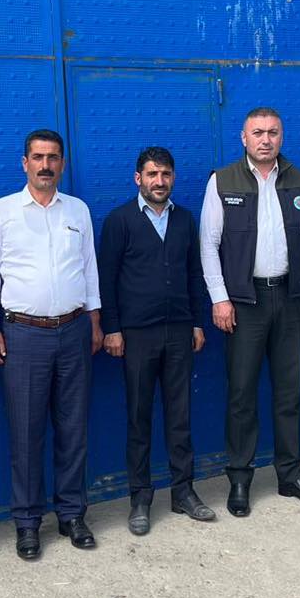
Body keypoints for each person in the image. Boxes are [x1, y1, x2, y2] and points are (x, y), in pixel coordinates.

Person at [199, 107, 300, 517]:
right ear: (244, 138)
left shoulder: (297, 180)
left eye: (273, 132)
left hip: (288, 299)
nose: (265, 139)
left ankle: (291, 475)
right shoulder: (223, 181)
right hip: (245, 304)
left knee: (290, 393)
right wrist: (219, 298)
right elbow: (208, 244)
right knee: (241, 395)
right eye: (258, 133)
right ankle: (240, 478)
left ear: (281, 137)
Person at [0, 129, 102, 560]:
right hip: (24, 335)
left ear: (62, 164)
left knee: (73, 428)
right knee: (26, 432)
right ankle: (28, 522)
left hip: (74, 330)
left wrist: (95, 321)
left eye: (52, 158)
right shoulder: (2, 212)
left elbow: (89, 269)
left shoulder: (78, 211)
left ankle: (72, 514)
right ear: (25, 163)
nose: (45, 165)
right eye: (38, 157)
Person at [98, 146, 214, 535]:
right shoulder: (120, 220)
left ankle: (183, 492)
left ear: (173, 178)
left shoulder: (184, 220)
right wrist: (112, 328)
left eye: (165, 174)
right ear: (138, 179)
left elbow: (194, 274)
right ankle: (140, 498)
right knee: (139, 418)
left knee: (180, 416)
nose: (159, 181)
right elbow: (106, 278)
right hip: (137, 336)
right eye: (152, 174)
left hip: (179, 331)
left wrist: (197, 322)